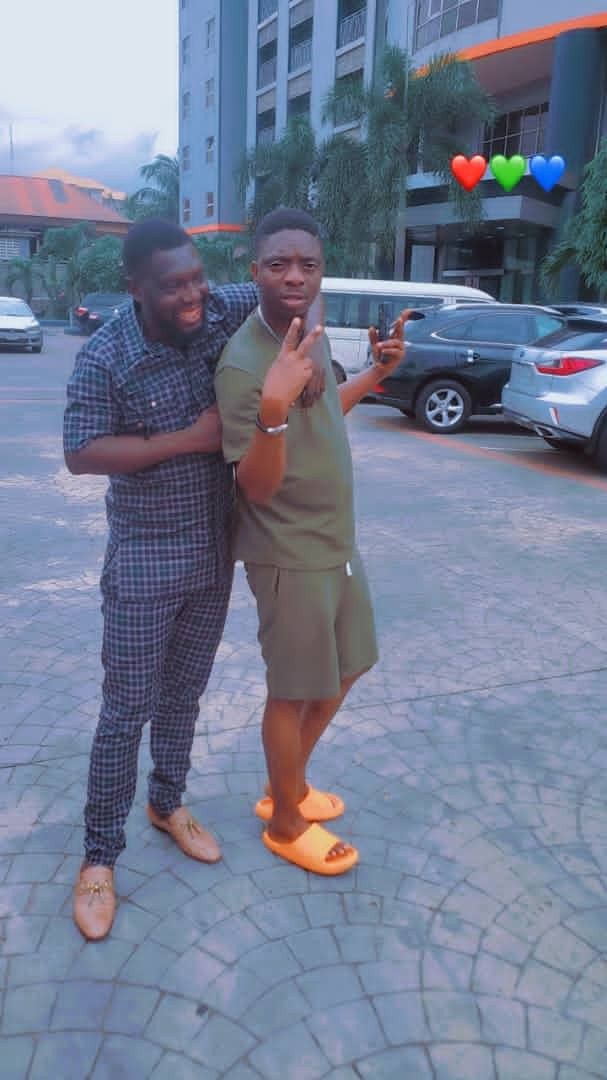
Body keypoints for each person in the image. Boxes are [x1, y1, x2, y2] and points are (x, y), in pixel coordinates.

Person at [63, 219, 324, 940]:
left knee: (184, 695)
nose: (192, 295)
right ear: (135, 288)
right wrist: (188, 439)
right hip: (144, 557)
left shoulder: (217, 307)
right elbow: (80, 452)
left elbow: (296, 290)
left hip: (214, 551)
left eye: (197, 278)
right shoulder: (106, 356)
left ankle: (167, 802)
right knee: (126, 711)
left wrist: (308, 360)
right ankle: (99, 857)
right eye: (173, 285)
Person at [215, 207, 409, 875]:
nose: (294, 276)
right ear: (255, 272)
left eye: (308, 265)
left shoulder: (310, 335)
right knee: (293, 690)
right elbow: (255, 487)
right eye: (279, 265)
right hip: (286, 551)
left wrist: (376, 374)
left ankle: (288, 785)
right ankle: (285, 820)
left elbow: (325, 411)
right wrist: (272, 411)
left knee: (350, 664)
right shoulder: (245, 364)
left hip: (335, 541)